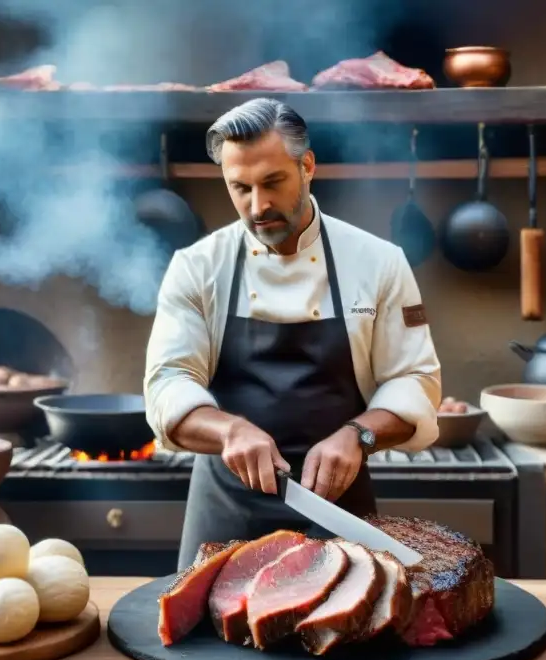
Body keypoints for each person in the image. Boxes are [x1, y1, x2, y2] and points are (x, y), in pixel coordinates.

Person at [144, 97, 442, 570]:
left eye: (272, 182)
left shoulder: (379, 262)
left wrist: (359, 435)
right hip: (225, 514)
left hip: (337, 510)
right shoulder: (197, 267)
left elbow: (415, 381)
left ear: (307, 166)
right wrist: (229, 430)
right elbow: (166, 384)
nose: (257, 206)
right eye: (239, 188)